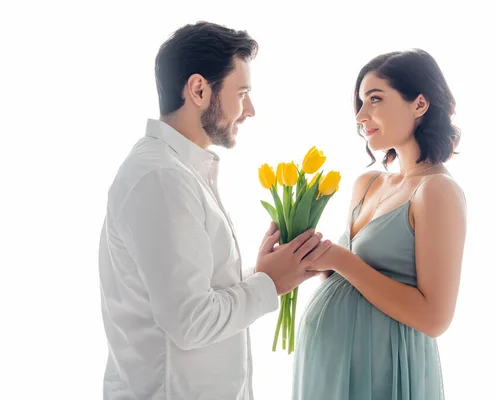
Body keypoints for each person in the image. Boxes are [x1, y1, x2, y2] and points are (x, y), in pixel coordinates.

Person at [98, 21, 330, 400]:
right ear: (199, 89)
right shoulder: (162, 178)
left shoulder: (178, 171)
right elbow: (190, 322)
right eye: (242, 93)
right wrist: (269, 283)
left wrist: (266, 271)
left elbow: (190, 289)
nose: (250, 110)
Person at [292, 49, 467, 399]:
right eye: (360, 102)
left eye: (375, 99)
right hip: (328, 364)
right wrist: (306, 252)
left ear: (419, 104)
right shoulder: (368, 184)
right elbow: (352, 278)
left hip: (384, 366)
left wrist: (339, 259)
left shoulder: (437, 192)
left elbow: (435, 319)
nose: (360, 115)